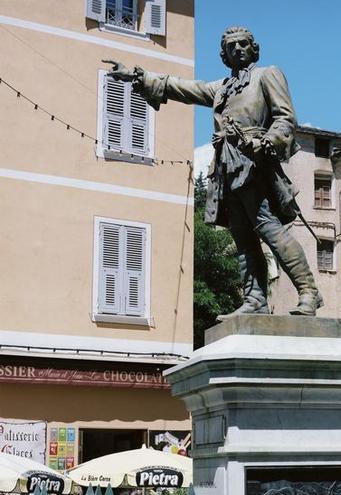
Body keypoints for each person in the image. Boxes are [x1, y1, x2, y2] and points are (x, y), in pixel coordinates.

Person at [104, 26, 322, 320]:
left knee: (269, 227)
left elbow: (285, 118)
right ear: (225, 54)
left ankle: (308, 291)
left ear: (253, 48)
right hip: (226, 168)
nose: (238, 49)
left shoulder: (267, 74)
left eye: (244, 44)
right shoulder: (223, 87)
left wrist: (267, 141)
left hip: (254, 162)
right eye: (232, 46)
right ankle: (254, 298)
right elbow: (184, 87)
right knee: (243, 238)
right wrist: (138, 76)